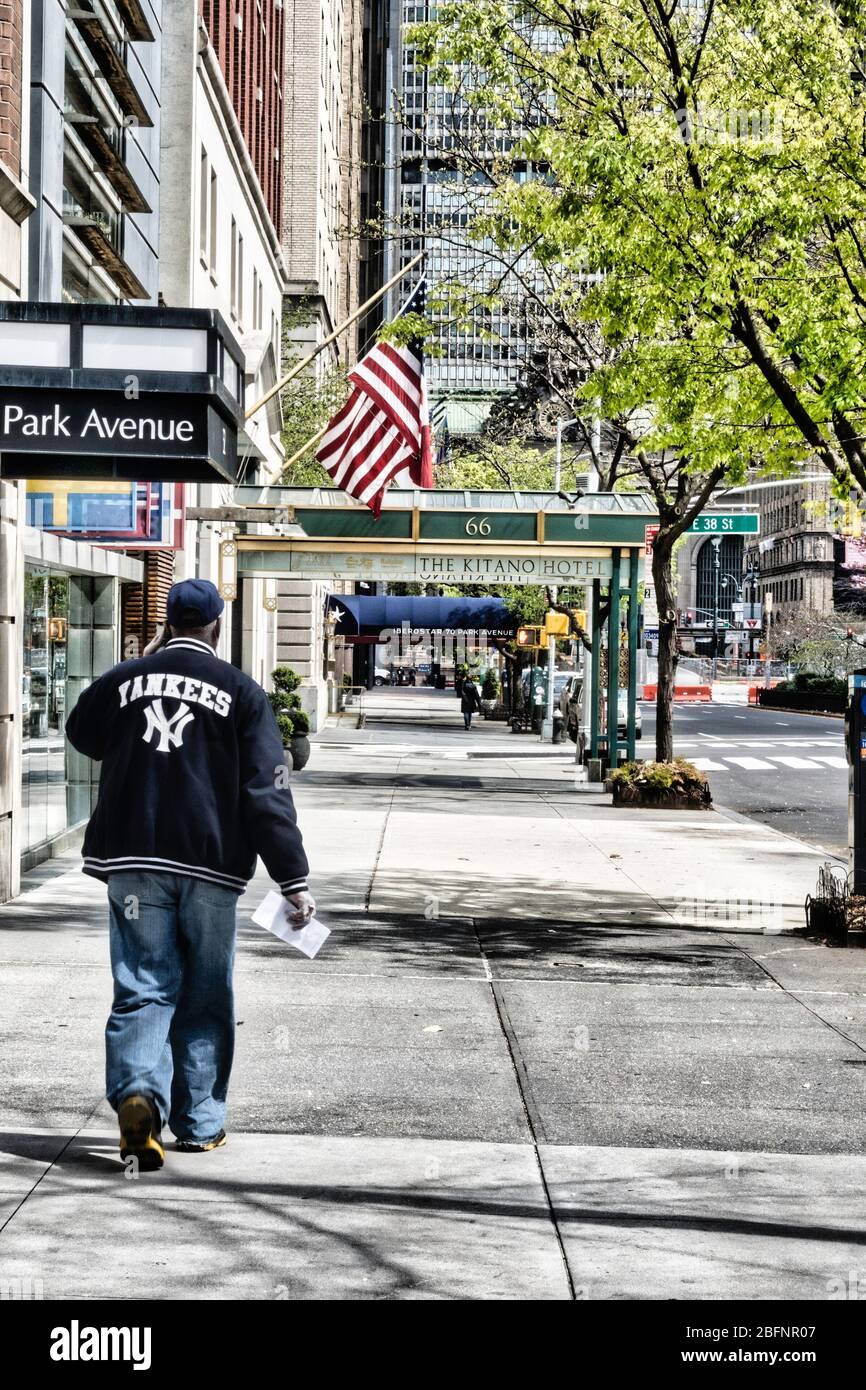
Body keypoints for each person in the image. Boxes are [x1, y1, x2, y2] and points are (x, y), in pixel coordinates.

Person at [65, 579, 313, 1172]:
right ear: (218, 628)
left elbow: (82, 733)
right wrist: (292, 876)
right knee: (204, 992)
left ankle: (137, 1107)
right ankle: (199, 1124)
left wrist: (143, 665)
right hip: (210, 865)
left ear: (167, 624)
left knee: (143, 987)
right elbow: (267, 792)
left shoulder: (125, 679)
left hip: (134, 866)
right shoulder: (245, 694)